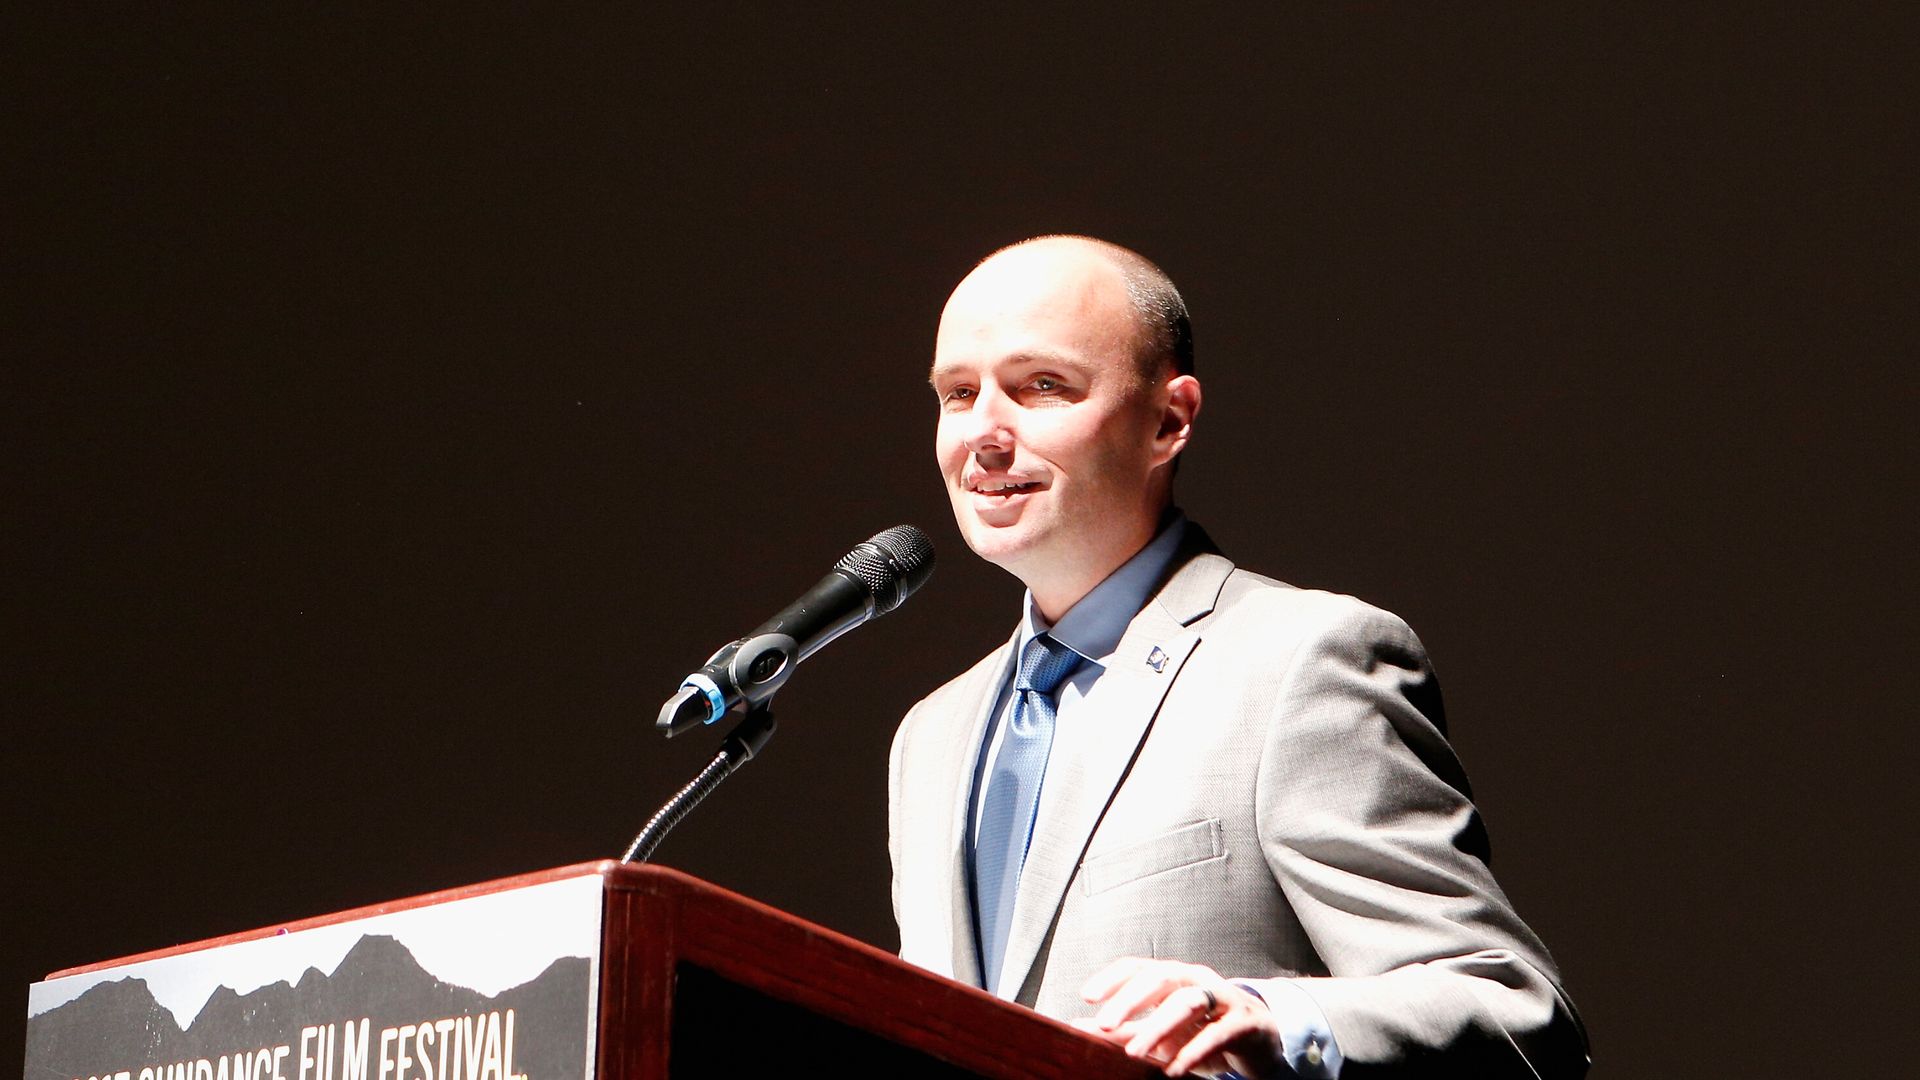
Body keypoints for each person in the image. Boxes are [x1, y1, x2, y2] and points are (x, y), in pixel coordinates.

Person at [887, 235, 1589, 1078]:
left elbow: (1514, 1007)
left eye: (1043, 386)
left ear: (1169, 420)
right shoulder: (931, 737)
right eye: (958, 394)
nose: (985, 434)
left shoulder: (1299, 661)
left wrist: (1274, 1017)